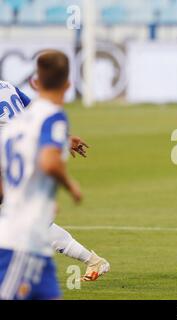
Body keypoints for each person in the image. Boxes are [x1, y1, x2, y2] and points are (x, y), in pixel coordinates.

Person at [0, 50, 90, 299]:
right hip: (20, 243)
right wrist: (71, 186)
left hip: (34, 243)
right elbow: (50, 162)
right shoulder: (9, 89)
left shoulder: (16, 128)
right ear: (69, 84)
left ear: (35, 82)